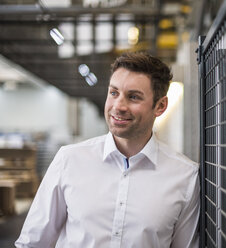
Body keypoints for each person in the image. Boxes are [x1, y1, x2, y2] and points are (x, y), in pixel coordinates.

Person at [15, 52, 200, 248]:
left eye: (133, 97)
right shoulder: (69, 160)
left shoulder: (185, 176)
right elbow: (32, 243)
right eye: (114, 93)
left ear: (160, 106)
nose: (118, 106)